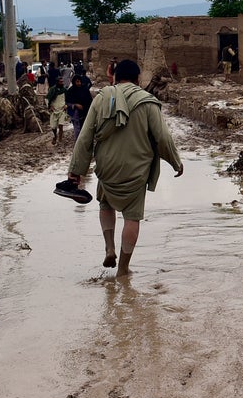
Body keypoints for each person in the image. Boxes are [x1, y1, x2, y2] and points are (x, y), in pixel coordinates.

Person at [66, 59, 183, 276]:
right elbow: (162, 138)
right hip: (136, 170)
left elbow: (85, 137)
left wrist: (76, 172)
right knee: (132, 217)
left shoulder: (101, 98)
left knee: (105, 204)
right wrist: (175, 161)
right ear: (138, 79)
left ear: (115, 77)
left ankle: (109, 247)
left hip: (107, 167)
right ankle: (123, 269)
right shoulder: (148, 102)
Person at [65, 70, 93, 143]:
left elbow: (90, 100)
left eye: (79, 81)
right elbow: (67, 102)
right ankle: (78, 143)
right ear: (74, 82)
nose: (79, 83)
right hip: (76, 114)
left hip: (85, 112)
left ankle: (85, 142)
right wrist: (75, 105)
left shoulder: (85, 89)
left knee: (85, 128)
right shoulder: (71, 91)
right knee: (77, 129)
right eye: (77, 81)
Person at [46, 74, 68, 145]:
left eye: (62, 82)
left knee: (61, 125)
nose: (62, 83)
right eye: (60, 82)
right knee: (53, 126)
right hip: (54, 110)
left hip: (62, 110)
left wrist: (66, 105)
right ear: (57, 82)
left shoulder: (64, 90)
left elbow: (68, 99)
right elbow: (47, 99)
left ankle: (60, 140)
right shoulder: (52, 90)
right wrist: (50, 106)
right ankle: (55, 136)